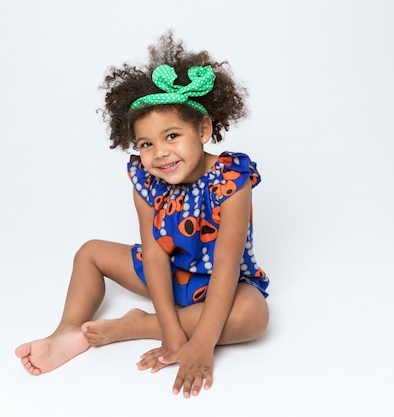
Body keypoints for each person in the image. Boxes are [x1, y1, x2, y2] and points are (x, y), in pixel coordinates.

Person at [14, 30, 270, 398]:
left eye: (172, 136)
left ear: (203, 130)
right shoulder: (146, 181)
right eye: (146, 144)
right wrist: (171, 329)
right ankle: (68, 332)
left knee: (253, 315)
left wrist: (200, 343)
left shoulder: (231, 180)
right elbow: (153, 253)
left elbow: (227, 266)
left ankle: (136, 325)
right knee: (90, 252)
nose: (159, 153)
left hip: (219, 286)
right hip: (166, 275)